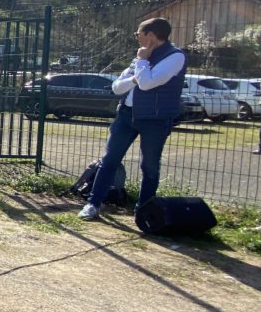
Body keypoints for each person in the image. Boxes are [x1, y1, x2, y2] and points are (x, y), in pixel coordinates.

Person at [79, 17, 186, 221]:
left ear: (151, 35)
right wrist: (137, 74)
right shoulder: (140, 57)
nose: (137, 38)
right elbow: (117, 87)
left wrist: (142, 63)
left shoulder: (175, 57)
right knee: (109, 160)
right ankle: (93, 204)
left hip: (155, 119)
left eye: (138, 34)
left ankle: (143, 211)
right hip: (126, 116)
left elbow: (147, 84)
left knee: (150, 166)